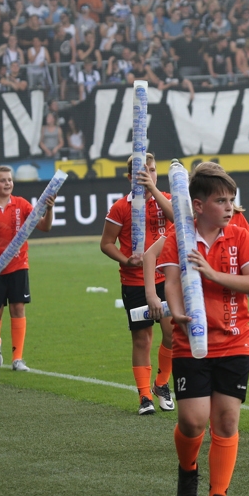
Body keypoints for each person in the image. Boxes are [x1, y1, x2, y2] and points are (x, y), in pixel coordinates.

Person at [143, 162, 249, 496]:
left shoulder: (240, 235)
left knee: (226, 421)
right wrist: (177, 313)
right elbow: (172, 283)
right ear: (198, 205)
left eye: (232, 200)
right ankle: (187, 471)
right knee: (193, 421)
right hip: (192, 344)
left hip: (234, 341)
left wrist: (212, 274)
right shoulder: (180, 237)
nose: (229, 207)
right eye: (221, 201)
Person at [100, 153, 176, 415]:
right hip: (134, 281)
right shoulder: (121, 207)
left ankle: (162, 383)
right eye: (144, 172)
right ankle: (144, 396)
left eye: (153, 171)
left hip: (167, 277)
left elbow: (178, 219)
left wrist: (153, 190)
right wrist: (126, 260)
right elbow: (106, 243)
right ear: (131, 177)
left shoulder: (164, 198)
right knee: (142, 339)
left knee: (173, 334)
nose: (149, 175)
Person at [0, 165, 55, 373]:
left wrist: (49, 209)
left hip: (18, 265)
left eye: (9, 179)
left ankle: (18, 358)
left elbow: (45, 226)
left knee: (18, 308)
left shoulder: (21, 204)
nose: (7, 183)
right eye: (2, 180)